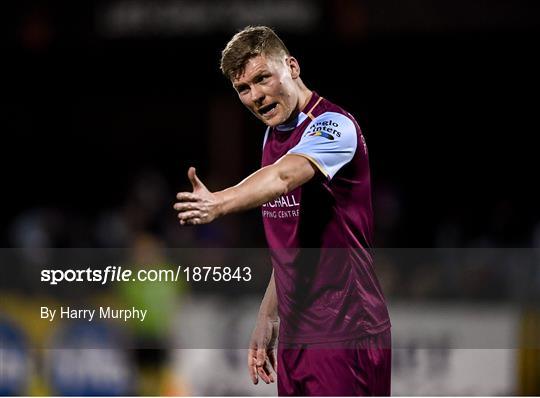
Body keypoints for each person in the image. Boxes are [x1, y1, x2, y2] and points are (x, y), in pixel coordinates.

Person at [174, 25, 391, 396]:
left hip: (346, 330)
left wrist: (219, 202)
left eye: (262, 78)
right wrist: (268, 314)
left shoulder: (334, 126)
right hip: (297, 334)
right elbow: (294, 241)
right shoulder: (272, 136)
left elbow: (282, 178)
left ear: (291, 67)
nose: (256, 96)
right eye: (244, 89)